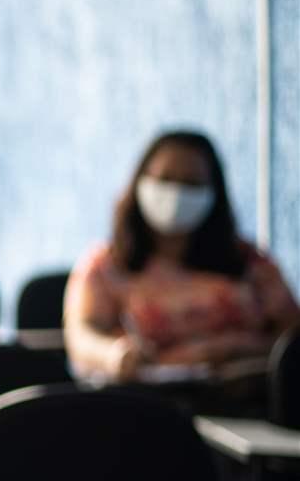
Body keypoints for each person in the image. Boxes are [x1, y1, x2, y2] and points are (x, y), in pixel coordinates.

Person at [67, 130, 300, 386]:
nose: (176, 193)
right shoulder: (105, 266)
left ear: (214, 193)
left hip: (253, 398)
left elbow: (292, 332)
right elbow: (82, 336)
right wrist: (113, 355)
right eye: (165, 180)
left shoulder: (250, 261)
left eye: (191, 183)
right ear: (139, 183)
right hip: (153, 403)